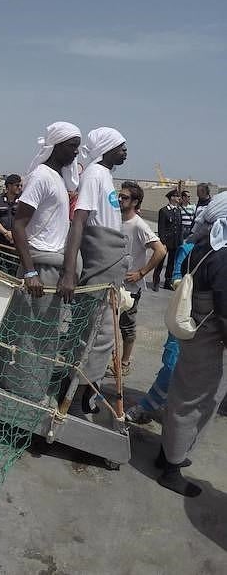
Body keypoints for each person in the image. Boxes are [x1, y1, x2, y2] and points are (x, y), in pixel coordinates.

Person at [0, 122, 81, 400]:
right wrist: (30, 272)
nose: (76, 152)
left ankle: (30, 387)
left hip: (52, 266)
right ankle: (24, 391)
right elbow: (19, 225)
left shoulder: (58, 179)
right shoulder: (41, 176)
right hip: (40, 267)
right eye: (71, 146)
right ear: (56, 146)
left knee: (45, 336)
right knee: (31, 334)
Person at [157, 191, 227, 497]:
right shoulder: (223, 255)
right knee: (197, 401)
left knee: (183, 392)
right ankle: (171, 469)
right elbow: (224, 308)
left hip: (196, 330)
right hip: (211, 336)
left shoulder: (201, 245)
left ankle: (168, 452)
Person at [61, 127, 129, 405]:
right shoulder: (94, 175)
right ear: (107, 148)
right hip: (100, 261)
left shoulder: (105, 176)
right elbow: (79, 220)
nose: (125, 152)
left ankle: (87, 385)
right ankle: (76, 392)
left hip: (111, 257)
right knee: (93, 332)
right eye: (121, 147)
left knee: (103, 331)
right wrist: (69, 270)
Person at [115, 180, 166, 374]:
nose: (120, 199)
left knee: (127, 326)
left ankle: (125, 362)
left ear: (135, 202)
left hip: (129, 287)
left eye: (125, 197)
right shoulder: (115, 219)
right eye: (119, 196)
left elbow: (160, 251)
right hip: (112, 282)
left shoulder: (139, 225)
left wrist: (141, 273)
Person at [0, 174, 23, 275]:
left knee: (13, 272)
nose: (20, 188)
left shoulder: (23, 201)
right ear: (9, 186)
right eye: (17, 185)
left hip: (16, 244)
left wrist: (15, 234)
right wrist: (6, 233)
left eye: (21, 185)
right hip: (0, 241)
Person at [154, 189, 183, 291]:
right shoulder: (164, 211)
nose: (178, 198)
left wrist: (180, 242)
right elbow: (161, 228)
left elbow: (180, 227)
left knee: (171, 263)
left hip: (175, 242)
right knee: (160, 262)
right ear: (171, 197)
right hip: (166, 242)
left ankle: (167, 282)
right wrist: (163, 242)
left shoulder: (178, 210)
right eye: (176, 196)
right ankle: (156, 281)